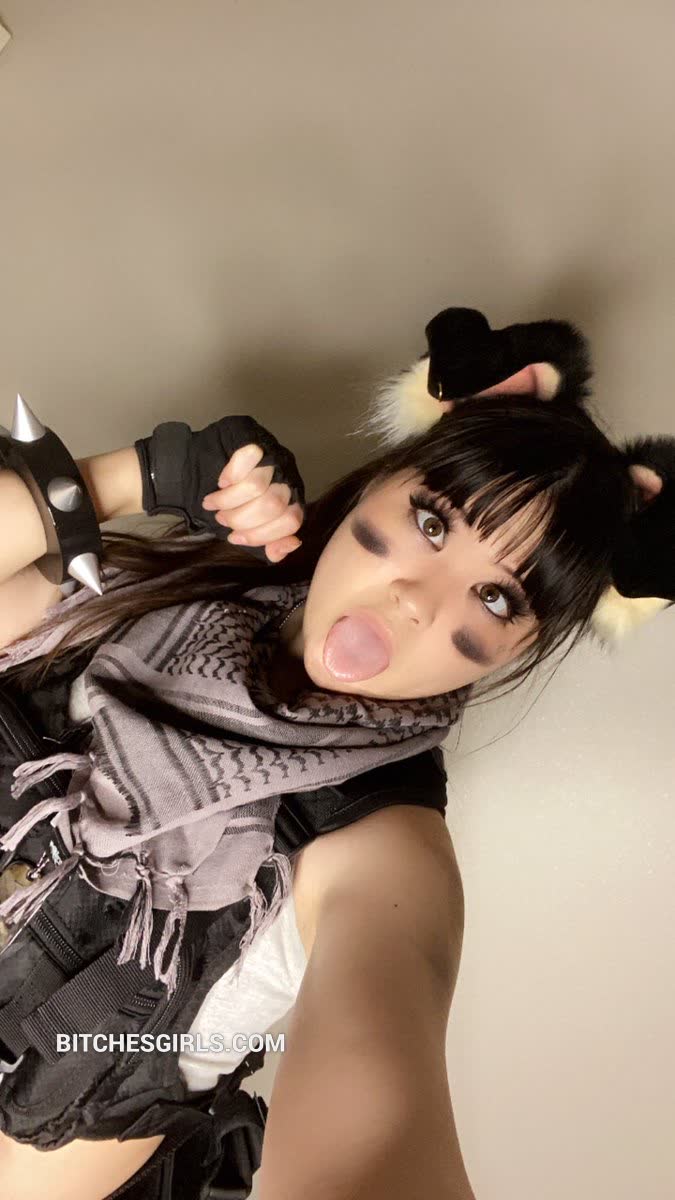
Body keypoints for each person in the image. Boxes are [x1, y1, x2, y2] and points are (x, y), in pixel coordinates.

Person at [0, 308, 671, 1200]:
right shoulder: (155, 600)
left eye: (496, 599)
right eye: (432, 523)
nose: (418, 600)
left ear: (521, 647)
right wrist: (142, 474)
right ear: (373, 488)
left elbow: (377, 1122)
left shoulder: (379, 848)